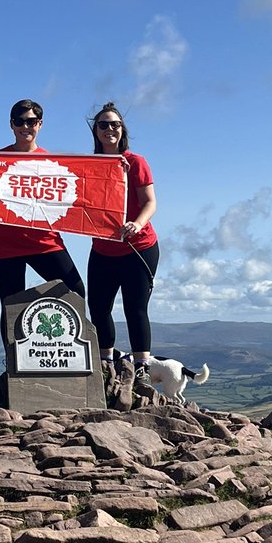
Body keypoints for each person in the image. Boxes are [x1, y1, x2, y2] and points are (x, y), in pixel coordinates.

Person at [0, 98, 85, 349]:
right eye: (19, 121)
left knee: (75, 290)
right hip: (3, 245)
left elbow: (83, 190)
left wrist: (114, 168)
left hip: (44, 241)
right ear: (11, 124)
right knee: (10, 305)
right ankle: (13, 362)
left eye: (31, 121)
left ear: (40, 124)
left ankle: (62, 351)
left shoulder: (54, 163)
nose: (25, 127)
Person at [86, 102, 159, 380]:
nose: (109, 129)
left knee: (135, 308)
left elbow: (150, 202)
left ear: (122, 129)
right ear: (96, 130)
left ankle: (141, 367)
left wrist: (136, 224)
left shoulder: (136, 162)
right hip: (103, 248)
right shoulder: (89, 166)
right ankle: (106, 363)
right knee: (99, 308)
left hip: (138, 248)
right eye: (103, 125)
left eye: (115, 124)